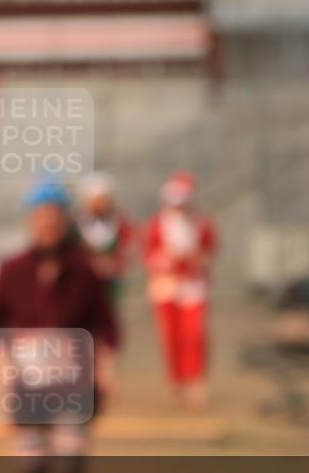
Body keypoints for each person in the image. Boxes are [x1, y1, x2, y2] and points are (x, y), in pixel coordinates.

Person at [0, 180, 119, 473]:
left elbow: (107, 324)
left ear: (65, 220)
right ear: (32, 221)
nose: (48, 224)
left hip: (73, 381)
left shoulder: (85, 270)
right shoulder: (12, 270)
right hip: (28, 383)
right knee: (32, 461)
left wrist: (107, 368)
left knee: (71, 459)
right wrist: (3, 368)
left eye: (55, 217)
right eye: (42, 217)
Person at [143, 171, 217, 411]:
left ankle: (195, 380)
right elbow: (149, 256)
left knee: (194, 334)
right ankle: (176, 382)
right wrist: (166, 259)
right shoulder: (157, 224)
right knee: (171, 336)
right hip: (166, 286)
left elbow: (210, 251)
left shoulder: (201, 223)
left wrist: (198, 259)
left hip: (193, 286)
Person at [77, 172, 133, 301]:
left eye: (104, 200)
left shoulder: (120, 224)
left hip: (111, 285)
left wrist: (114, 264)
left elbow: (127, 250)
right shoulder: (76, 226)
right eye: (97, 201)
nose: (102, 204)